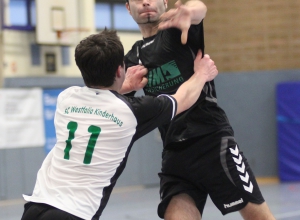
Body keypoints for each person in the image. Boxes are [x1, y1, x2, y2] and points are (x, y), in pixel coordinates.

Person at [20, 29, 217, 220]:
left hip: (36, 206)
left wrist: (124, 85)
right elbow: (183, 99)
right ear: (119, 69)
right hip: (76, 213)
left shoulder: (66, 98)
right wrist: (201, 74)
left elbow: (98, 98)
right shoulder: (132, 112)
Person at [124, 0, 275, 219]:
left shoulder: (178, 31)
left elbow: (199, 9)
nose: (146, 1)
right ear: (128, 8)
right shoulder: (132, 59)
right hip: (174, 153)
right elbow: (118, 104)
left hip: (212, 142)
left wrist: (192, 11)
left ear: (165, 2)